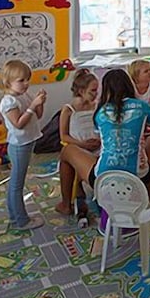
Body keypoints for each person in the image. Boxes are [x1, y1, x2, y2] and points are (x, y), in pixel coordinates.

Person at [93, 68, 150, 192]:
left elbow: (102, 138)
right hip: (138, 175)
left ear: (106, 89)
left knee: (69, 151)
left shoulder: (101, 111)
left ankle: (74, 198)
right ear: (129, 85)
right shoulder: (142, 106)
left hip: (104, 176)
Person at [0, 59, 47, 230]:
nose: (26, 83)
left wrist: (40, 103)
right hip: (19, 145)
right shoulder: (8, 101)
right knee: (16, 185)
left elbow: (37, 116)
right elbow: (19, 123)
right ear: (8, 82)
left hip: (27, 142)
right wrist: (33, 106)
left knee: (16, 183)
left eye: (27, 79)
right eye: (21, 80)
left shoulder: (24, 95)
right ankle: (21, 220)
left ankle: (15, 217)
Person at [55, 69, 100, 218]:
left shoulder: (96, 106)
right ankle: (70, 200)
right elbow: (64, 136)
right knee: (68, 155)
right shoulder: (68, 110)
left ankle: (78, 196)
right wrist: (82, 144)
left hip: (97, 148)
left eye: (97, 90)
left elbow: (101, 128)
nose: (96, 94)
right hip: (80, 148)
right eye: (93, 91)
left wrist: (99, 141)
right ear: (81, 91)